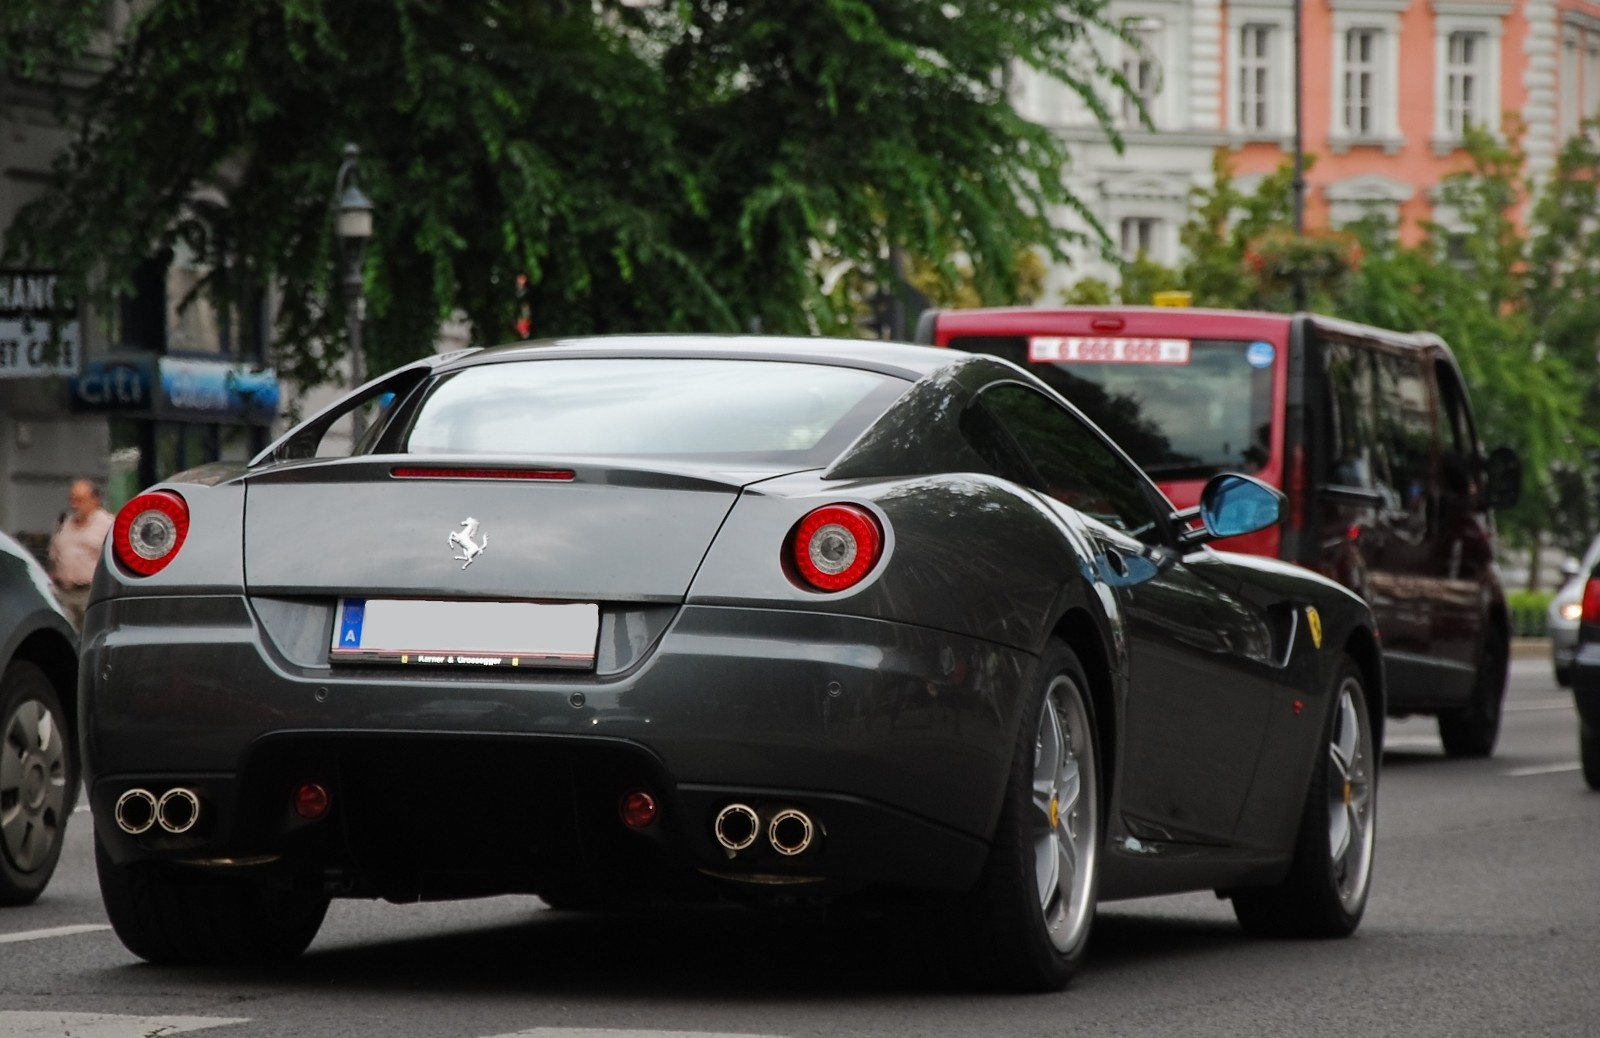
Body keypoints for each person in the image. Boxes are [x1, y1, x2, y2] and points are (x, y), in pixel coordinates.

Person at [48, 478, 114, 628]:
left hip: (91, 592)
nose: (74, 504)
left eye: (80, 500)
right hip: (64, 592)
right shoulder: (64, 522)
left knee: (91, 633)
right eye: (72, 499)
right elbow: (54, 554)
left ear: (94, 500)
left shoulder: (107, 524)